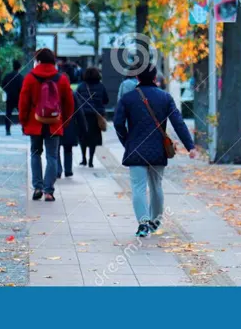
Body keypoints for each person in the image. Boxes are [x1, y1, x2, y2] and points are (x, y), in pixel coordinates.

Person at [113, 64, 196, 237]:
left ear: (137, 78)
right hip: (157, 149)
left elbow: (118, 124)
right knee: (156, 186)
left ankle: (143, 224)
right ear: (155, 78)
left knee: (138, 187)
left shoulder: (128, 98)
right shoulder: (165, 98)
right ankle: (155, 221)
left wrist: (126, 141)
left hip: (135, 149)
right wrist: (190, 146)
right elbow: (178, 122)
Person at [18, 48, 75, 201]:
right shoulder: (61, 79)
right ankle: (48, 191)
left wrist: (23, 121)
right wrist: (65, 121)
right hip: (54, 123)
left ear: (39, 61)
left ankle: (37, 186)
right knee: (52, 156)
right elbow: (69, 103)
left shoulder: (30, 78)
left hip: (34, 123)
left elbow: (23, 102)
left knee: (35, 153)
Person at [75, 67, 109, 167]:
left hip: (83, 115)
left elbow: (76, 99)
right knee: (93, 138)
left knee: (83, 137)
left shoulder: (81, 86)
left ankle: (83, 159)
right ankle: (91, 160)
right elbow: (106, 100)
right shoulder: (101, 86)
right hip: (96, 116)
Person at [1, 59, 23, 136]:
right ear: (19, 67)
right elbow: (22, 88)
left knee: (8, 114)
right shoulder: (20, 77)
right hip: (18, 98)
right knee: (21, 113)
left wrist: (8, 90)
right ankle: (24, 129)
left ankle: (7, 130)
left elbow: (3, 84)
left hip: (9, 97)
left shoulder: (8, 75)